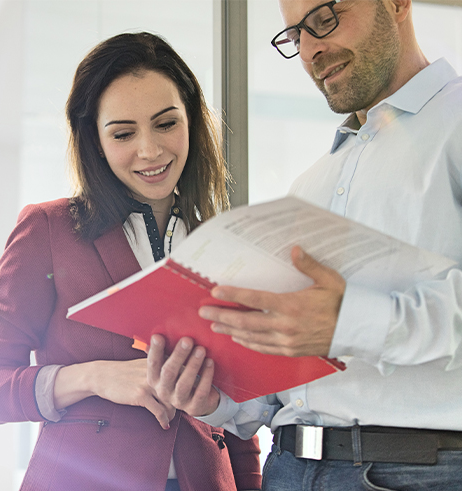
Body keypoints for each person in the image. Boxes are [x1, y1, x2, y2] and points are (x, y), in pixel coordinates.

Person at [147, 0, 462, 489]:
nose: (311, 50)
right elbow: (286, 390)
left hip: (417, 470)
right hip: (290, 467)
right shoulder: (311, 184)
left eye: (325, 20)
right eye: (296, 36)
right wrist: (215, 399)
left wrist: (348, 323)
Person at [0, 32, 262, 491]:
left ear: (193, 122)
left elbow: (241, 421)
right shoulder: (49, 230)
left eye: (166, 124)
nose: (150, 150)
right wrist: (96, 377)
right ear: (94, 140)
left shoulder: (221, 244)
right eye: (123, 133)